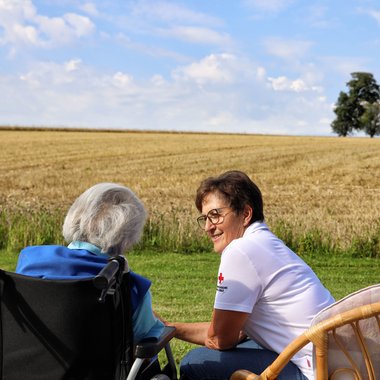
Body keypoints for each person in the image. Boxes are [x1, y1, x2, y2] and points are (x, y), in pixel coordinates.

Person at [168, 170, 334, 380]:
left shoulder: (241, 250)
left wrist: (169, 329)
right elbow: (235, 333)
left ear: (245, 214)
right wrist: (172, 329)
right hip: (341, 363)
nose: (208, 227)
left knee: (196, 363)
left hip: (317, 373)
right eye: (205, 218)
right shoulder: (267, 242)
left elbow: (220, 339)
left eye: (216, 215)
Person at [16, 182, 164, 344]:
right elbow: (143, 341)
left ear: (74, 217)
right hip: (100, 369)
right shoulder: (131, 286)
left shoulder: (30, 260)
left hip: (30, 364)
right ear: (128, 238)